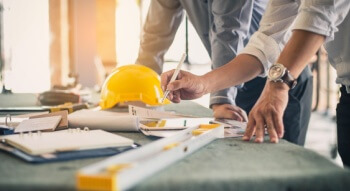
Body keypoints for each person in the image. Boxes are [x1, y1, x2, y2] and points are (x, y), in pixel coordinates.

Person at [161, 0, 350, 166]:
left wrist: (277, 86)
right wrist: (203, 83)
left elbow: (319, 16)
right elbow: (266, 43)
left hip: (291, 81)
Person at [136, 0, 313, 146]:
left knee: (281, 164)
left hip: (281, 77)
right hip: (232, 78)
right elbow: (155, 34)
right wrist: (138, 86)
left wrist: (222, 99)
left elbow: (228, 32)